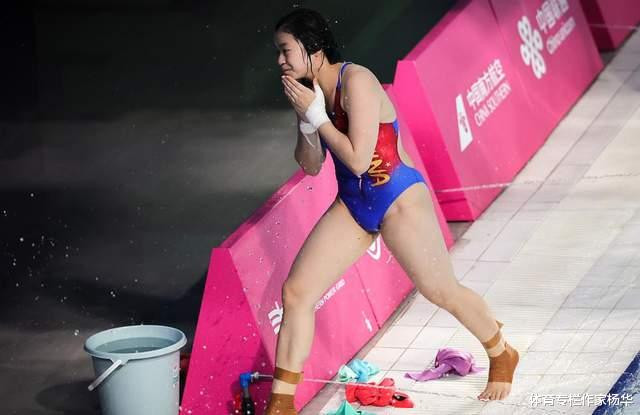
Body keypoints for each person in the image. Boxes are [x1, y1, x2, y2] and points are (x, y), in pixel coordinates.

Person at [267, 8, 519, 414]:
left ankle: (501, 350)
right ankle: (280, 404)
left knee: (440, 290)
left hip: (399, 200)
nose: (280, 60)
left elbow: (358, 160)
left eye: (285, 50)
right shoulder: (311, 94)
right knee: (296, 293)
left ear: (313, 48)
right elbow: (311, 165)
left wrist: (316, 115)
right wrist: (308, 121)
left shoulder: (357, 81)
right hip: (354, 204)